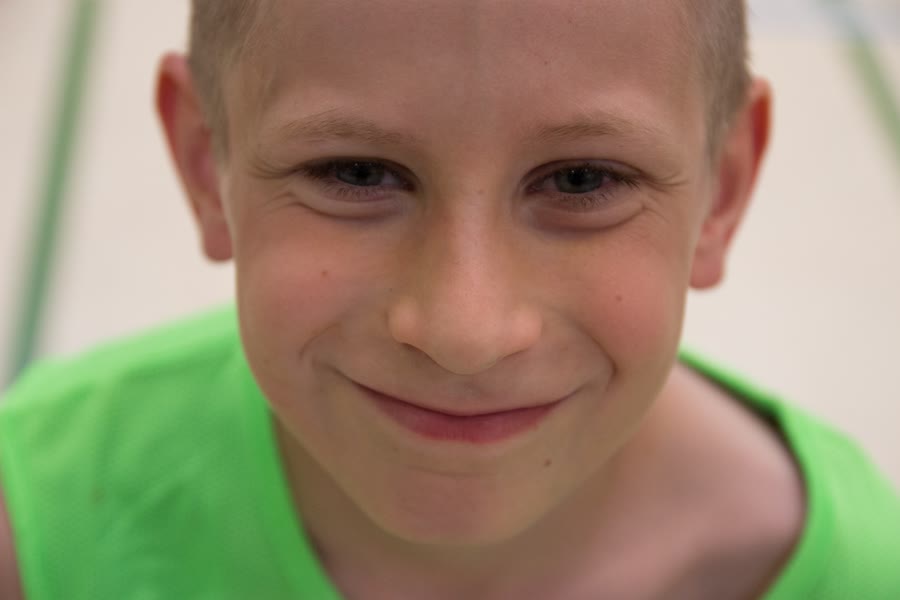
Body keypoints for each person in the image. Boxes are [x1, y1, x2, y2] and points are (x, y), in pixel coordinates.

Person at [1, 0, 898, 598]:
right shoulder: (37, 523)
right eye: (356, 173)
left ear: (723, 188)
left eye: (582, 179)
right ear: (208, 163)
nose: (466, 331)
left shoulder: (860, 574)